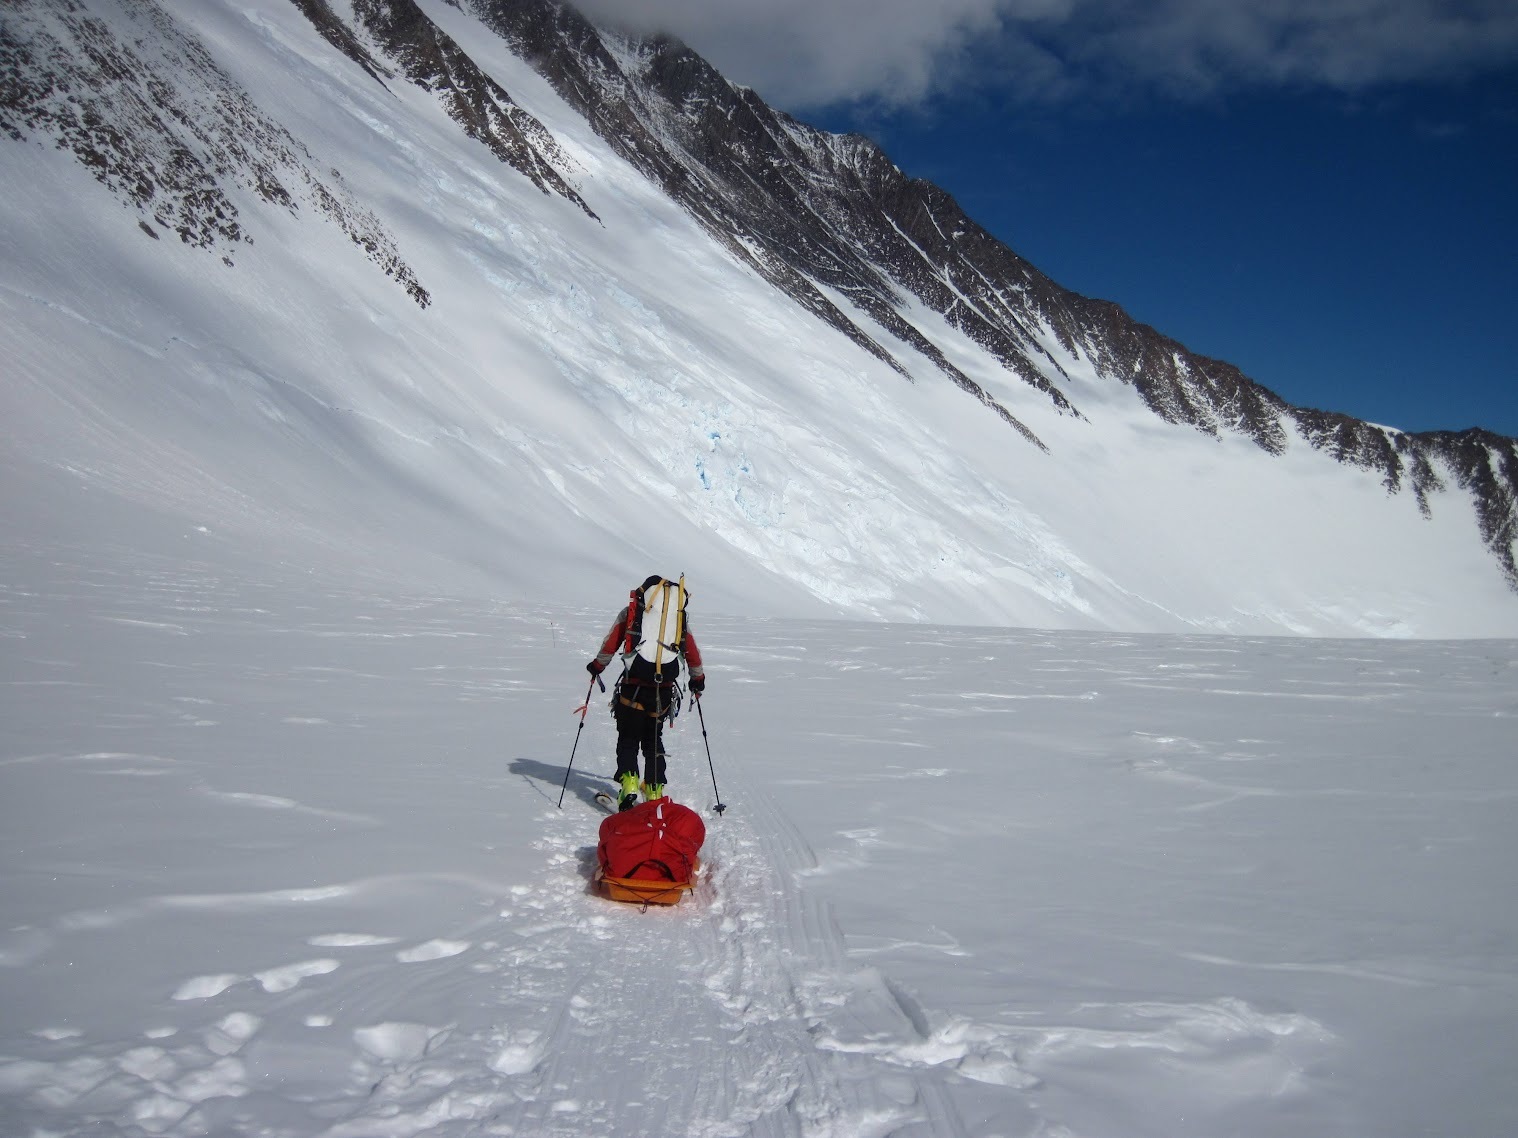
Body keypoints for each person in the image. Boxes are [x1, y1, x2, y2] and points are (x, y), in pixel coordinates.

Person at [587, 576, 705, 810]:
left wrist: (597, 667)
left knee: (628, 737)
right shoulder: (678, 619)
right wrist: (697, 680)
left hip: (633, 686)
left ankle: (629, 784)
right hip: (663, 691)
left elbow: (611, 642)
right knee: (653, 740)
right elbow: (691, 650)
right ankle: (654, 790)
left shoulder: (633, 612)